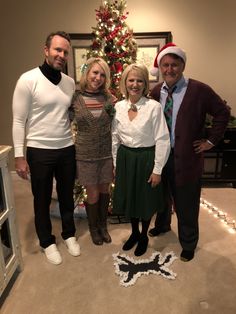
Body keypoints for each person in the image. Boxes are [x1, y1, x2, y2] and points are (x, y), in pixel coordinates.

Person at [148, 43, 230, 262]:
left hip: (187, 159)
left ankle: (189, 242)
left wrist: (211, 141)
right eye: (165, 65)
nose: (169, 69)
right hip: (161, 157)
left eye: (174, 65)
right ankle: (163, 225)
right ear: (161, 67)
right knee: (162, 197)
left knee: (186, 202)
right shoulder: (156, 92)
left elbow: (222, 112)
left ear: (183, 65)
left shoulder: (199, 90)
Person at [12, 31, 80, 265]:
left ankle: (69, 234)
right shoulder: (28, 80)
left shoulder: (69, 83)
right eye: (57, 50)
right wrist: (20, 157)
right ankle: (46, 241)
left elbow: (69, 115)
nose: (61, 55)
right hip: (39, 150)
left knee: (66, 195)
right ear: (46, 50)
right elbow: (19, 121)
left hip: (66, 148)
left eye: (65, 52)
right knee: (41, 199)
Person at [112, 64, 170, 256]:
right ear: (125, 82)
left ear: (145, 84)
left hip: (146, 158)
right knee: (131, 198)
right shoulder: (118, 107)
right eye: (131, 80)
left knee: (144, 199)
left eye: (139, 80)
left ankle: (144, 235)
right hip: (126, 158)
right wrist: (115, 164)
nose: (135, 84)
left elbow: (162, 139)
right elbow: (114, 137)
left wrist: (157, 170)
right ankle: (134, 233)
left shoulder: (153, 107)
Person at [71, 57, 115, 246]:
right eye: (95, 72)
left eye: (102, 75)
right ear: (87, 73)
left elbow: (116, 126)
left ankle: (103, 225)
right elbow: (63, 123)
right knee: (93, 192)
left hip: (106, 153)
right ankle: (93, 227)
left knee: (105, 190)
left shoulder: (109, 99)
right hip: (85, 155)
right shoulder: (75, 98)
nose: (98, 78)